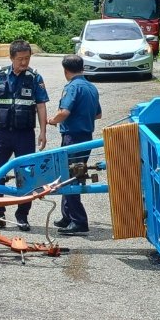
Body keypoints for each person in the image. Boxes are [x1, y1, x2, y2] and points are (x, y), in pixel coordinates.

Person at [0, 39, 49, 231]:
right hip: (1, 134)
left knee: (26, 176)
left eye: (27, 59)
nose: (24, 63)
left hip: (24, 135)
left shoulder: (34, 78)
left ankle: (22, 217)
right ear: (11, 58)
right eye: (20, 59)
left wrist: (43, 132)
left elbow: (41, 106)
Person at [47, 54, 102, 234]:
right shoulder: (91, 87)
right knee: (70, 174)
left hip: (73, 138)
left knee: (71, 176)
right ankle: (67, 216)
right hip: (86, 136)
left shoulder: (72, 88)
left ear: (65, 70)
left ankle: (79, 221)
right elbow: (98, 115)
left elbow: (64, 112)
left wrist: (52, 120)